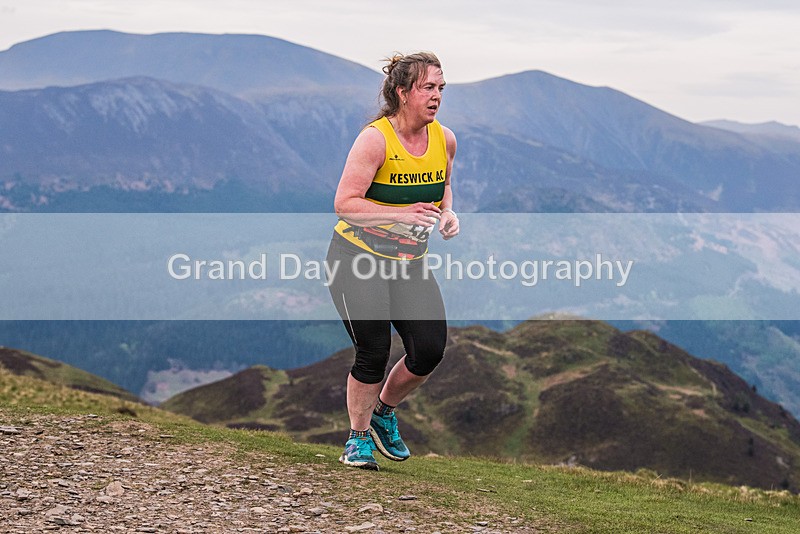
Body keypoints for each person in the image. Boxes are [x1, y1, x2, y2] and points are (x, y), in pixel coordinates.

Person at [326, 51, 459, 470]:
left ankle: (383, 412)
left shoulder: (445, 139)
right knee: (373, 351)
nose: (436, 96)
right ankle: (357, 439)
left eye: (441, 88)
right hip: (357, 259)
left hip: (409, 262)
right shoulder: (376, 139)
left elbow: (443, 186)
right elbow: (345, 203)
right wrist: (401, 214)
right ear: (402, 92)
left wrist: (448, 213)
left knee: (429, 350)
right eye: (427, 88)